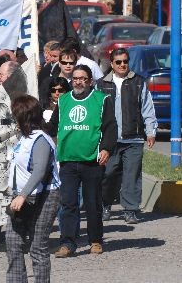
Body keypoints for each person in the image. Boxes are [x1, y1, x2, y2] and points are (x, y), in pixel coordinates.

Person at [47, 65, 117, 257]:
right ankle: (67, 243)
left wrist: (106, 149)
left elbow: (110, 127)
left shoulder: (101, 100)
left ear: (90, 81)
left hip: (92, 161)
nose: (78, 81)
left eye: (83, 78)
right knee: (68, 203)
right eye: (75, 78)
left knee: (93, 203)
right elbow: (52, 128)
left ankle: (95, 240)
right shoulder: (63, 101)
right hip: (68, 161)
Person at [96, 48, 157, 224]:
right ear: (112, 64)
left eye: (125, 61)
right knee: (107, 174)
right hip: (109, 140)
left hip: (134, 138)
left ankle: (130, 210)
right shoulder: (101, 84)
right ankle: (105, 205)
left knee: (132, 176)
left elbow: (147, 108)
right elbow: (95, 112)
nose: (123, 65)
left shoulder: (138, 82)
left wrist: (151, 131)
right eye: (118, 62)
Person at [6, 95, 60, 283]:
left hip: (45, 196)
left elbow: (39, 170)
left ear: (23, 117)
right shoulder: (23, 138)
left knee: (37, 247)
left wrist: (22, 195)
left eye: (15, 114)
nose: (13, 118)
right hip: (22, 196)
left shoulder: (41, 139)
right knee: (13, 243)